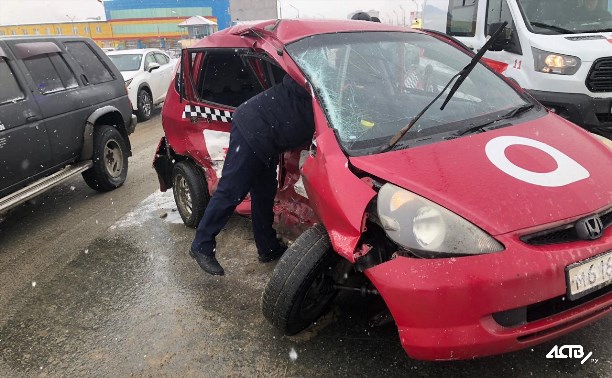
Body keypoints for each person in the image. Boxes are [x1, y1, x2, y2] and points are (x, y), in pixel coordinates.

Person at [189, 74, 315, 276]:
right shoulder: (309, 86)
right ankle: (201, 245)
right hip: (254, 128)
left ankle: (267, 247)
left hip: (269, 139)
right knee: (232, 190)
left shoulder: (322, 93)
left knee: (264, 193)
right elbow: (296, 86)